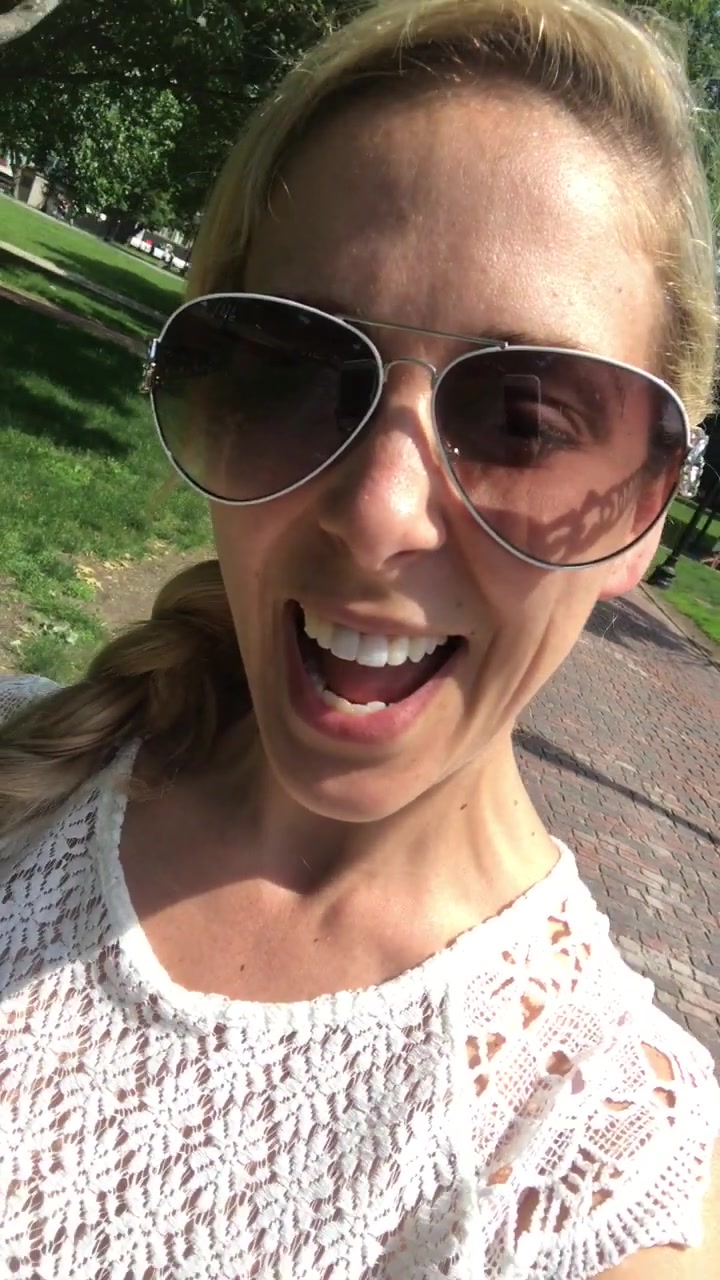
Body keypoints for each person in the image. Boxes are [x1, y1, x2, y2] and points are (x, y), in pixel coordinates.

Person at [0, 0, 718, 1274]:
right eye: (297, 366)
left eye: (526, 422)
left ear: (645, 509)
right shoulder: (24, 764)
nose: (379, 513)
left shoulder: (586, 1169)